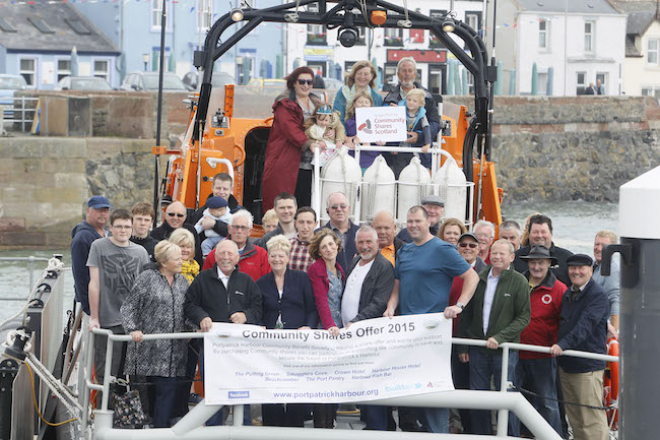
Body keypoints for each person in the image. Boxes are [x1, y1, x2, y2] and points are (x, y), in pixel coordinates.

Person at [384, 206, 480, 434]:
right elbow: (398, 283)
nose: (413, 225)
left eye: (418, 220)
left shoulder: (443, 249)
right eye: (409, 221)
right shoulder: (404, 251)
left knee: (433, 392)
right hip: (408, 334)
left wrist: (459, 305)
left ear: (428, 222)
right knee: (411, 392)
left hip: (433, 334)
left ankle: (440, 434)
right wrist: (390, 306)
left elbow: (472, 276)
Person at [183, 239, 262, 426]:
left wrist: (245, 316)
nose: (226, 257)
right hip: (212, 348)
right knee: (213, 390)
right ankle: (212, 430)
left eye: (230, 254)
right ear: (215, 256)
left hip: (240, 349)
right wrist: (201, 317)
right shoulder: (202, 279)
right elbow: (189, 304)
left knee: (242, 390)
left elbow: (258, 307)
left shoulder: (247, 281)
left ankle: (243, 430)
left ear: (237, 257)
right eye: (222, 253)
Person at [457, 239, 530, 436]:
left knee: (505, 397)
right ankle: (482, 436)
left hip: (504, 351)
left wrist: (500, 337)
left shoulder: (519, 282)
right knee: (478, 398)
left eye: (502, 254)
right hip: (478, 348)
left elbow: (523, 318)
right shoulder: (478, 278)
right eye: (494, 253)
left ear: (512, 257)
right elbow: (467, 313)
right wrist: (462, 347)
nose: (497, 257)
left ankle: (510, 436)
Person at [121, 241, 189, 428]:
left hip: (174, 352)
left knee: (168, 392)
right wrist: (132, 328)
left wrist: (194, 328)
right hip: (148, 348)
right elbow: (129, 307)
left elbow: (187, 311)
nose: (181, 261)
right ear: (164, 262)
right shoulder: (147, 278)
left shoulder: (183, 281)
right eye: (177, 258)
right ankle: (153, 429)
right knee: (149, 394)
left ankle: (161, 430)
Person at [87, 209, 150, 399]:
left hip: (133, 323)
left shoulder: (140, 252)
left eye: (127, 227)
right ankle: (105, 414)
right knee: (106, 371)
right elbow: (94, 283)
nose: (123, 230)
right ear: (110, 228)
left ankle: (138, 415)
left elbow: (145, 289)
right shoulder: (98, 247)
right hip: (107, 320)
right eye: (119, 226)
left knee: (137, 373)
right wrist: (95, 318)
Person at [257, 235, 318, 427]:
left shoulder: (301, 279)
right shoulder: (261, 282)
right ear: (268, 258)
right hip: (271, 342)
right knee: (271, 382)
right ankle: (272, 424)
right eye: (273, 256)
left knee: (294, 383)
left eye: (281, 256)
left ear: (288, 257)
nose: (277, 259)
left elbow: (312, 307)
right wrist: (259, 326)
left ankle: (294, 425)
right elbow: (258, 309)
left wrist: (308, 326)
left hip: (296, 340)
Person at [550, 254, 609, 440]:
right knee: (575, 418)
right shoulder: (569, 293)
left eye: (581, 268)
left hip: (587, 367)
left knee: (590, 419)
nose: (576, 272)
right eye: (573, 268)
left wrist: (562, 345)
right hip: (567, 364)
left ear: (590, 270)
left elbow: (586, 325)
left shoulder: (597, 295)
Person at [341, 226, 394, 430]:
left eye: (368, 242)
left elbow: (380, 302)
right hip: (350, 334)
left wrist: (357, 320)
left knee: (372, 383)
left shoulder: (384, 266)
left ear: (377, 243)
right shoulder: (355, 261)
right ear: (355, 244)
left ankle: (378, 429)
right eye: (361, 242)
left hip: (367, 335)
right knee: (360, 384)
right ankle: (371, 426)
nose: (365, 246)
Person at [517, 244, 565, 435]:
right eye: (533, 262)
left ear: (549, 264)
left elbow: (565, 320)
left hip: (544, 356)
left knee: (547, 402)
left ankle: (552, 436)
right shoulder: (518, 283)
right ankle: (516, 435)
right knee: (516, 400)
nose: (536, 267)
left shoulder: (559, 289)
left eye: (541, 263)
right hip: (515, 353)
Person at [262, 66, 323, 211]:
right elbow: (289, 127)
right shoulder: (284, 103)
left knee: (308, 201)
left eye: (309, 82)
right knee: (285, 201)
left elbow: (329, 123)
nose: (306, 86)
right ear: (293, 83)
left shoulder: (317, 102)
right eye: (302, 82)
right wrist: (309, 143)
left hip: (312, 163)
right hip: (287, 159)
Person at [447, 232, 487, 434]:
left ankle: (477, 431)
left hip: (473, 341)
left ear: (479, 249)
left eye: (472, 245)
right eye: (463, 245)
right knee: (457, 385)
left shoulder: (485, 273)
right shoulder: (449, 271)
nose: (468, 248)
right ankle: (461, 425)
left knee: (476, 389)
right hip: (449, 337)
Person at [307, 228, 345, 429]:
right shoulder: (316, 269)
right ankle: (320, 426)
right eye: (324, 247)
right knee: (321, 380)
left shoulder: (339, 269)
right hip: (325, 329)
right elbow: (321, 300)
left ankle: (330, 422)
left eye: (331, 244)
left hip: (339, 329)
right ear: (319, 252)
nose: (329, 249)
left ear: (337, 245)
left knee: (334, 380)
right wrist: (329, 326)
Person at [383, 57, 441, 177]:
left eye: (410, 71)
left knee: (419, 185)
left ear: (415, 74)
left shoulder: (427, 98)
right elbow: (384, 126)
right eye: (404, 71)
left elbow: (435, 123)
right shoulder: (389, 99)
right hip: (396, 155)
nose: (407, 74)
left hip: (420, 152)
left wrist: (420, 136)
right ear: (398, 74)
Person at [202, 210, 270, 281]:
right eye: (236, 227)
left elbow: (266, 284)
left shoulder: (261, 255)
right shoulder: (214, 255)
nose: (239, 231)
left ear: (249, 231)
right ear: (229, 229)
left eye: (243, 227)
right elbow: (205, 283)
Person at [71, 195, 111, 315]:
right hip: (92, 306)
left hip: (107, 302)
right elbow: (80, 276)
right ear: (88, 211)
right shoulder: (82, 238)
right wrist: (89, 309)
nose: (103, 214)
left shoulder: (108, 234)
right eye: (99, 210)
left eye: (106, 210)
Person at [514, 214, 573, 286]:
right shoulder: (515, 258)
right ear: (529, 234)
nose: (539, 235)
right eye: (535, 232)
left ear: (551, 233)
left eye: (543, 232)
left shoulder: (567, 258)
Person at [189, 172, 241, 239]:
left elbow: (240, 234)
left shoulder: (238, 213)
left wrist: (215, 224)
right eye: (218, 188)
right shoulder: (202, 212)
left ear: (231, 190)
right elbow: (194, 235)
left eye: (225, 189)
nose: (221, 192)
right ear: (212, 187)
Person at [332, 60, 383, 126]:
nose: (362, 77)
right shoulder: (343, 93)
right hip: (345, 134)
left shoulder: (377, 98)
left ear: (372, 76)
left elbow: (378, 121)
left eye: (366, 74)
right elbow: (338, 119)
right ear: (354, 75)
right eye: (359, 73)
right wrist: (345, 135)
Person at [344, 90, 384, 168]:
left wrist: (381, 142)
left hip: (372, 160)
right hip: (353, 159)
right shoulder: (349, 122)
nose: (363, 104)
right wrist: (353, 140)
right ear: (354, 104)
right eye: (360, 102)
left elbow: (379, 145)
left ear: (371, 105)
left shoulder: (377, 122)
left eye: (366, 102)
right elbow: (348, 140)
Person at [321, 192, 359, 273]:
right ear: (327, 211)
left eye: (343, 206)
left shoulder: (361, 233)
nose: (339, 209)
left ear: (349, 208)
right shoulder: (318, 235)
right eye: (334, 207)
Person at [397, 88, 432, 168]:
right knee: (399, 169)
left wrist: (427, 144)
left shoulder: (422, 115)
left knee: (413, 168)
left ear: (421, 103)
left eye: (414, 101)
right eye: (409, 99)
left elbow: (426, 128)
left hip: (413, 148)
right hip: (400, 148)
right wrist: (393, 146)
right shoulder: (400, 111)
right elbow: (393, 128)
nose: (411, 102)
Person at [592, 230, 620, 330]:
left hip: (604, 328)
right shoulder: (594, 266)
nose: (599, 249)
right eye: (597, 244)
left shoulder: (612, 269)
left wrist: (614, 332)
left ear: (613, 249)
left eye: (604, 246)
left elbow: (615, 300)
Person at [288, 207, 317, 272]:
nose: (305, 226)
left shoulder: (320, 247)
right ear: (295, 224)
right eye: (301, 222)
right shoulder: (287, 245)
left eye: (309, 222)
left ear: (315, 224)